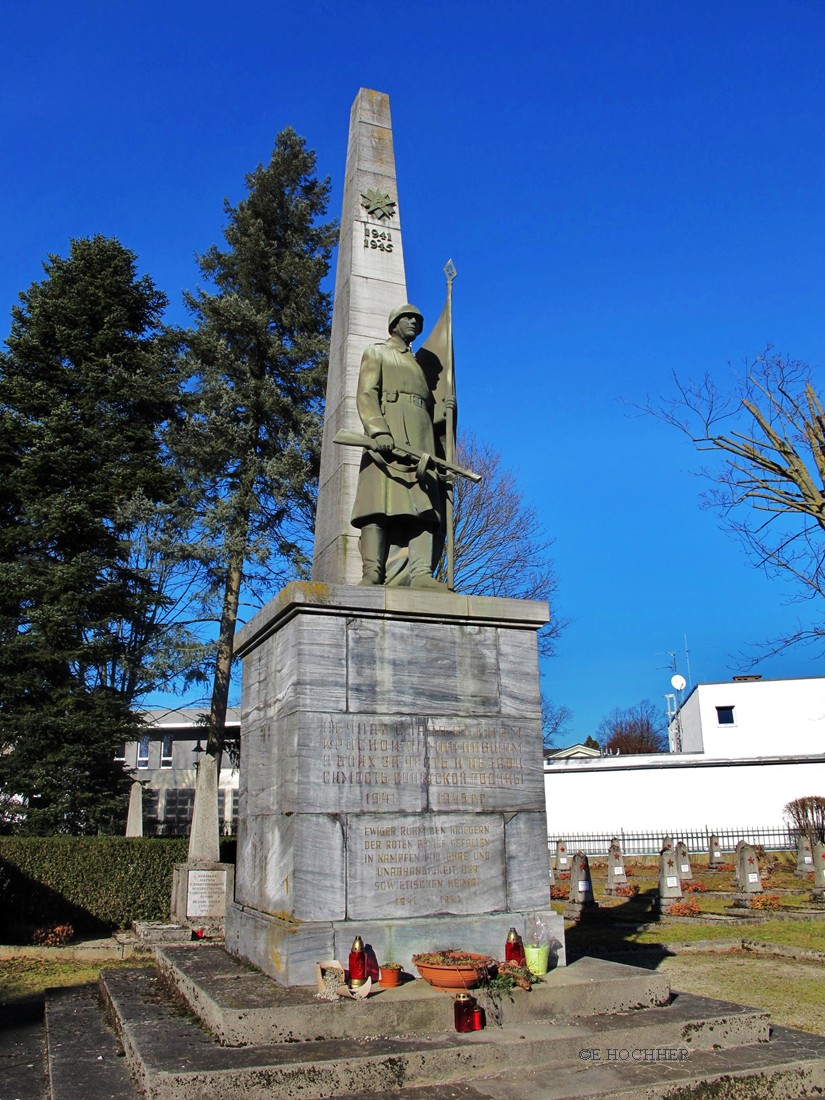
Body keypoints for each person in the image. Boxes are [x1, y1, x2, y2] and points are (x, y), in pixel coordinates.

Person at [351, 304, 453, 587]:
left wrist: (443, 414)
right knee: (377, 504)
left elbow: (422, 407)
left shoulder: (418, 366)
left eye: (418, 320)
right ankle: (373, 572)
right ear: (393, 323)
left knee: (423, 505)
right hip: (390, 434)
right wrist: (378, 429)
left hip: (422, 441)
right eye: (408, 318)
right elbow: (367, 393)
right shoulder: (378, 352)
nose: (414, 323)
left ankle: (421, 573)